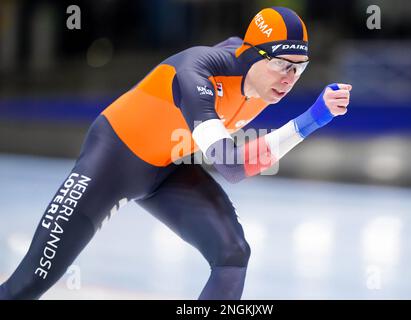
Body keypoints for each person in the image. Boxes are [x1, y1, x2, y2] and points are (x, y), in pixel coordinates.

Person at [0, 6, 351, 300]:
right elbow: (231, 166)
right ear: (253, 53)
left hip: (170, 167)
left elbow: (238, 158)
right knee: (28, 283)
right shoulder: (195, 74)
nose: (290, 78)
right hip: (113, 160)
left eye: (299, 67)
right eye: (281, 63)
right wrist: (311, 120)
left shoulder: (261, 80)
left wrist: (306, 114)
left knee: (232, 255)